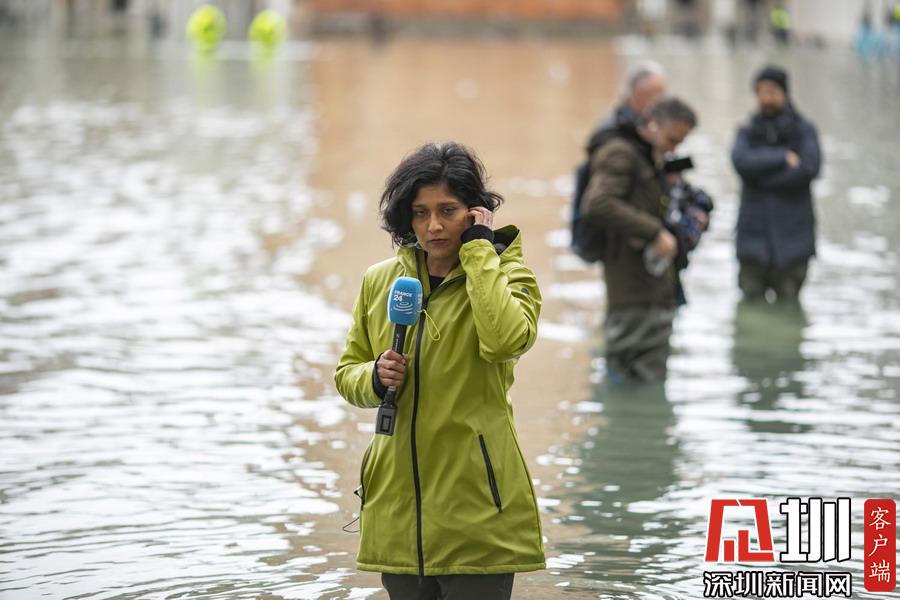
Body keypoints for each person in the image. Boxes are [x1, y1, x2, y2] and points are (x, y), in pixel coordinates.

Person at [334, 142, 544, 599]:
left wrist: (480, 253)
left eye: (447, 210)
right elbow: (347, 372)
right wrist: (374, 377)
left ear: (475, 212)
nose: (433, 226)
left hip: (478, 514)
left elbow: (506, 341)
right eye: (420, 213)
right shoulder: (380, 281)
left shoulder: (509, 276)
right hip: (397, 514)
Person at [581, 98, 699, 382]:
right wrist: (655, 232)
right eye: (672, 139)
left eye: (680, 142)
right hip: (632, 286)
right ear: (653, 124)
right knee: (631, 370)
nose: (674, 149)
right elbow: (597, 203)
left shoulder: (650, 156)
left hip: (652, 284)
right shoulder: (621, 153)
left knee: (635, 370)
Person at [731, 66, 822, 304]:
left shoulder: (804, 131)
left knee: (789, 304)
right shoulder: (747, 131)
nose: (766, 98)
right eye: (760, 92)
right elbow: (741, 162)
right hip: (753, 242)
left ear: (784, 93)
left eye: (771, 91)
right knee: (751, 305)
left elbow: (808, 168)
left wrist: (760, 178)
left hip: (793, 242)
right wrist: (781, 157)